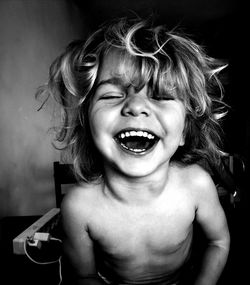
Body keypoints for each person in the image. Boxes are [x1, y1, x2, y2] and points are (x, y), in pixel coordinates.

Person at [39, 17, 230, 285]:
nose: (136, 105)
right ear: (87, 124)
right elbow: (85, 275)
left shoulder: (197, 185)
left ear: (185, 130)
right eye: (112, 95)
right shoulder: (79, 207)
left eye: (161, 95)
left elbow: (218, 242)